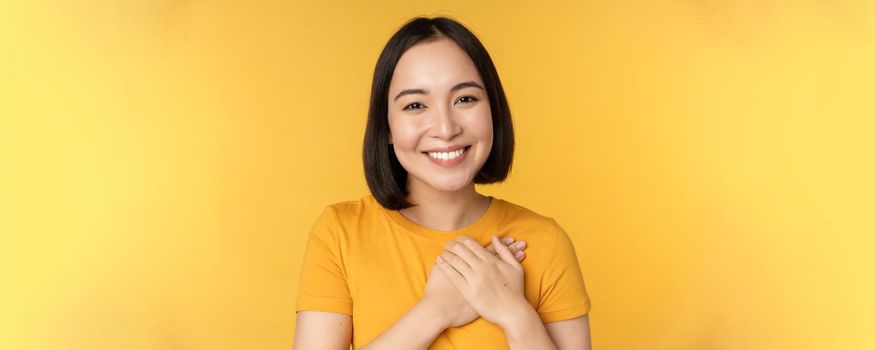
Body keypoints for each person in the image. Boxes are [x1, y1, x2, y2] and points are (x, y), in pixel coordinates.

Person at [293, 16, 592, 349]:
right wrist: (437, 310)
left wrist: (513, 312)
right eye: (416, 105)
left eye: (465, 99)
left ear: (493, 109)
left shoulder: (545, 242)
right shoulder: (340, 234)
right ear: (387, 128)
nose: (446, 128)